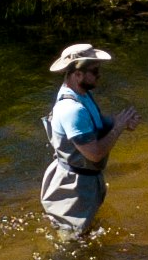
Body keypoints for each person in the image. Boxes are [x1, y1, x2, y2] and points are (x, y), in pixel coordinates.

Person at [41, 43, 138, 237]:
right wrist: (118, 127)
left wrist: (118, 122)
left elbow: (96, 122)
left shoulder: (83, 95)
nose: (99, 75)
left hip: (83, 180)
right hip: (72, 187)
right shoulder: (72, 109)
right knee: (70, 243)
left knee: (83, 236)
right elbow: (94, 154)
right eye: (94, 71)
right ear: (77, 75)